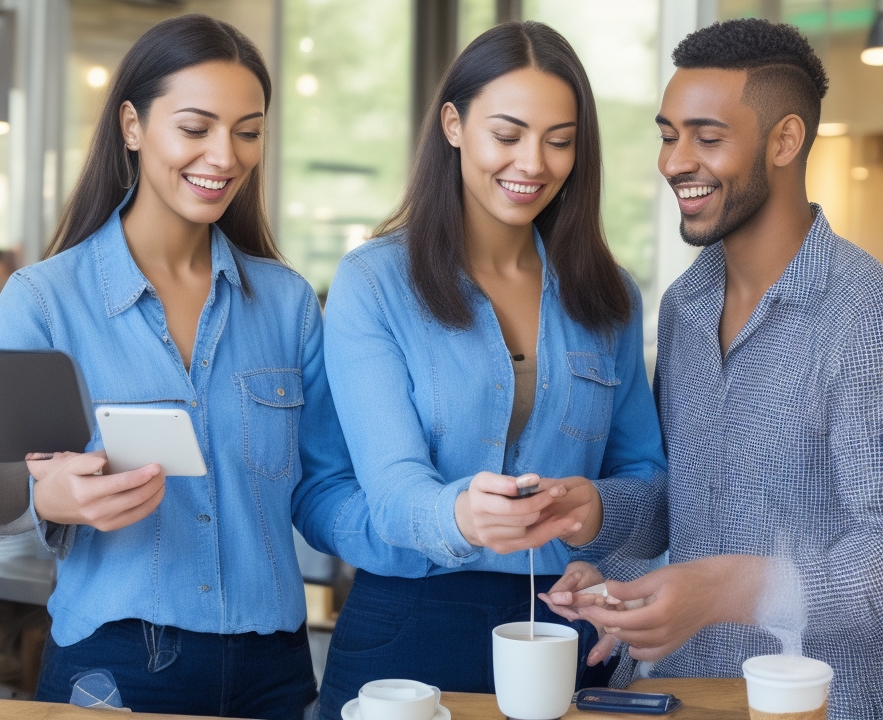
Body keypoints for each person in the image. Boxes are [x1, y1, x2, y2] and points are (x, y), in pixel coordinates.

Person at [0, 14, 426, 719]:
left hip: (277, 671)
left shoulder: (287, 304)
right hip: (117, 667)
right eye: (195, 128)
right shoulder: (47, 299)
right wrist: (50, 499)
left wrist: (438, 528)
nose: (224, 156)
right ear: (132, 126)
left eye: (247, 131)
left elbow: (322, 490)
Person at [317, 22, 666, 716]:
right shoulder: (374, 282)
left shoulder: (611, 297)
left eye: (559, 140)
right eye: (507, 135)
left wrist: (596, 510)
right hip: (406, 625)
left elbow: (652, 493)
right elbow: (386, 488)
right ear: (453, 124)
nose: (532, 162)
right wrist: (460, 516)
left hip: (562, 626)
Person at [542, 19, 883, 719]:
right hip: (671, 695)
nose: (673, 161)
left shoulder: (863, 313)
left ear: (784, 141)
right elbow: (686, 507)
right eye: (669, 135)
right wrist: (605, 540)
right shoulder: (684, 307)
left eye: (707, 136)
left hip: (815, 706)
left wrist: (736, 589)